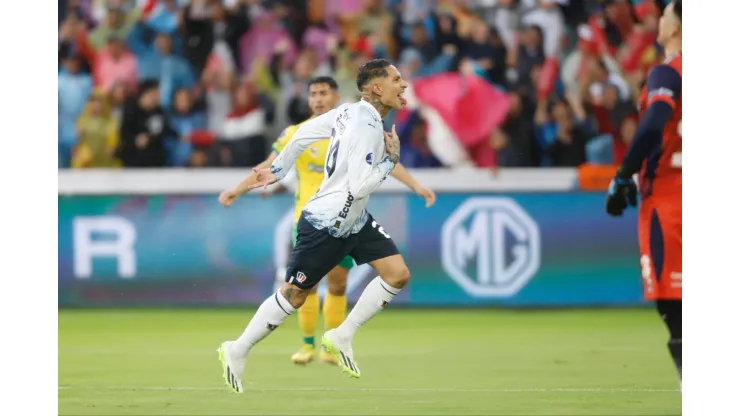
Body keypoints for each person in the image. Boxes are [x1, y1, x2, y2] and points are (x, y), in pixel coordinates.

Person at [217, 65, 432, 392]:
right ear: (376, 89)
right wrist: (389, 162)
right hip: (327, 223)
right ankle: (238, 348)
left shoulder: (348, 112)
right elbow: (360, 187)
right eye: (396, 80)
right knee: (295, 295)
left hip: (354, 220)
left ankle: (341, 335)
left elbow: (301, 133)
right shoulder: (366, 126)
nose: (403, 85)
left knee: (397, 274)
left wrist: (278, 168)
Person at [605, 0, 682, 384]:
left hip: (673, 202)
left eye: (667, 12)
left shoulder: (669, 73)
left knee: (680, 319)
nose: (660, 18)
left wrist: (623, 175)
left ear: (679, 25)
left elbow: (653, 125)